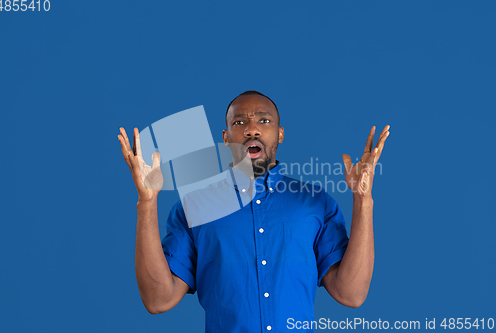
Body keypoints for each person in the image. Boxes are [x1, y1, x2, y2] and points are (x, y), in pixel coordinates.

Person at [117, 91, 390, 332]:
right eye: (239, 122)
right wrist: (147, 202)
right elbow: (158, 300)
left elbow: (351, 294)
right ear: (226, 138)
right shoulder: (194, 208)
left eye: (264, 120)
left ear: (280, 134)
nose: (251, 130)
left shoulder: (315, 203)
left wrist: (362, 200)